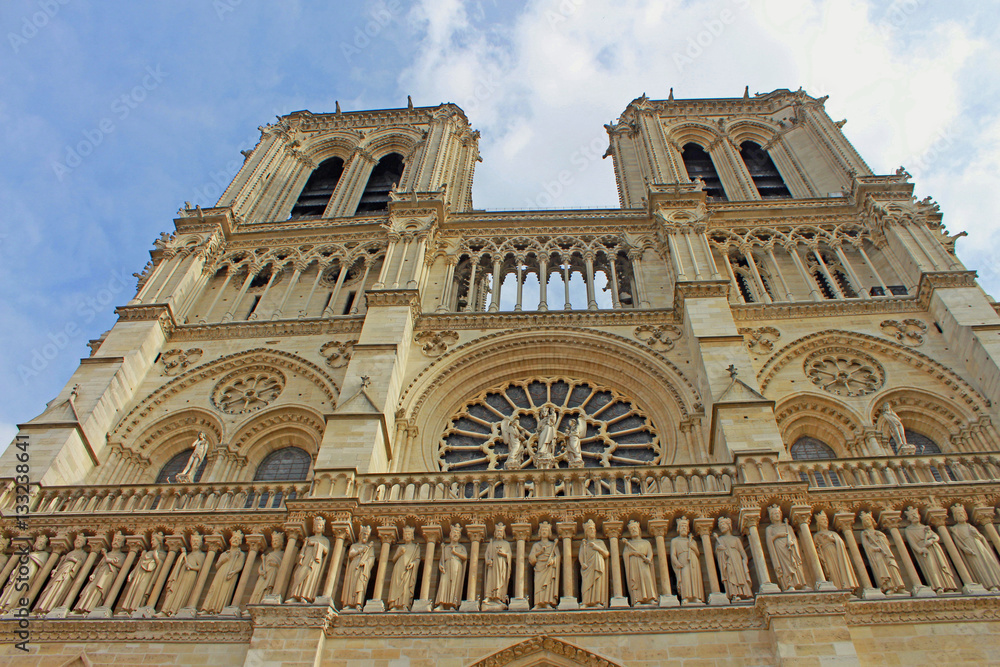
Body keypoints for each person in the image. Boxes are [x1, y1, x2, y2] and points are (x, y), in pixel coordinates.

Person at [714, 517, 753, 600]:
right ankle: (734, 594)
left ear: (729, 526)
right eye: (720, 526)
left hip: (737, 560)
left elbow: (742, 551)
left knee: (740, 576)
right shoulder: (720, 539)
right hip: (728, 561)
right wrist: (720, 551)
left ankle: (746, 594)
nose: (722, 527)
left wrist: (745, 560)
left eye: (723, 524)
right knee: (731, 576)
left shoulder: (736, 539)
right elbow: (717, 555)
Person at [341, 526, 376, 611]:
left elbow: (372, 558)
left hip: (363, 568)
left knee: (360, 583)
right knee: (351, 583)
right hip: (354, 565)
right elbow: (351, 554)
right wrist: (361, 550)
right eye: (364, 534)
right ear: (360, 535)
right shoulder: (355, 545)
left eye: (367, 535)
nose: (365, 536)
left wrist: (365, 563)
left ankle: (358, 603)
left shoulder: (370, 548)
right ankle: (349, 603)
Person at [622, 520, 657, 605]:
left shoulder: (646, 542)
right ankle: (637, 599)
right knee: (636, 580)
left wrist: (648, 558)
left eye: (635, 528)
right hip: (634, 564)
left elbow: (650, 553)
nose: (633, 530)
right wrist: (633, 553)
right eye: (631, 529)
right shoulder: (629, 544)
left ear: (639, 530)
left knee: (647, 578)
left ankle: (650, 598)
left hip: (643, 563)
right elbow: (625, 554)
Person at [387, 526, 421, 611]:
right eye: (405, 534)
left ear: (412, 536)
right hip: (398, 568)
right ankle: (394, 605)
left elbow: (417, 559)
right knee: (396, 585)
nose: (407, 536)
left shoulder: (415, 547)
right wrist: (399, 553)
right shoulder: (400, 547)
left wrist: (413, 564)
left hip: (408, 570)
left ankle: (404, 604)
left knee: (405, 587)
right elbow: (394, 559)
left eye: (409, 534)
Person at [435, 524, 467, 610]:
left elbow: (465, 557)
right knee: (444, 583)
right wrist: (440, 565)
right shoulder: (445, 548)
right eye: (454, 532)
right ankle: (441, 604)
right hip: (447, 567)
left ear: (459, 536)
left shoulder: (461, 547)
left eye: (457, 533)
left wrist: (455, 552)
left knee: (454, 584)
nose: (455, 534)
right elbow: (442, 559)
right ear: (450, 535)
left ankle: (453, 604)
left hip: (456, 566)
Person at [671, 517, 703, 603]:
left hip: (693, 560)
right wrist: (676, 562)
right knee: (685, 577)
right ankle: (686, 597)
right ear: (678, 529)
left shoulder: (692, 541)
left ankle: (696, 596)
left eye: (685, 526)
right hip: (682, 560)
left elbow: (698, 553)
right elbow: (673, 554)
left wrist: (692, 547)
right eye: (682, 526)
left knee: (694, 577)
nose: (684, 528)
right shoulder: (675, 541)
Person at [528, 522, 560, 609]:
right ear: (540, 532)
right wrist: (540, 552)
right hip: (539, 567)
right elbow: (531, 558)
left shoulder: (553, 545)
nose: (544, 531)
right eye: (542, 530)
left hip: (548, 567)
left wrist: (553, 561)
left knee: (548, 584)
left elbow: (558, 556)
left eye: (546, 530)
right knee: (539, 584)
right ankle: (538, 603)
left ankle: (546, 603)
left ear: (549, 532)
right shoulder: (536, 545)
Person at [579, 520, 609, 608]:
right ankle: (586, 602)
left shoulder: (600, 542)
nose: (592, 531)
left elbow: (606, 554)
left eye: (593, 529)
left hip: (598, 566)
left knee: (598, 582)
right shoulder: (584, 545)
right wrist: (582, 563)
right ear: (586, 532)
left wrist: (597, 548)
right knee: (586, 584)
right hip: (587, 568)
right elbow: (581, 556)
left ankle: (597, 601)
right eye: (590, 529)